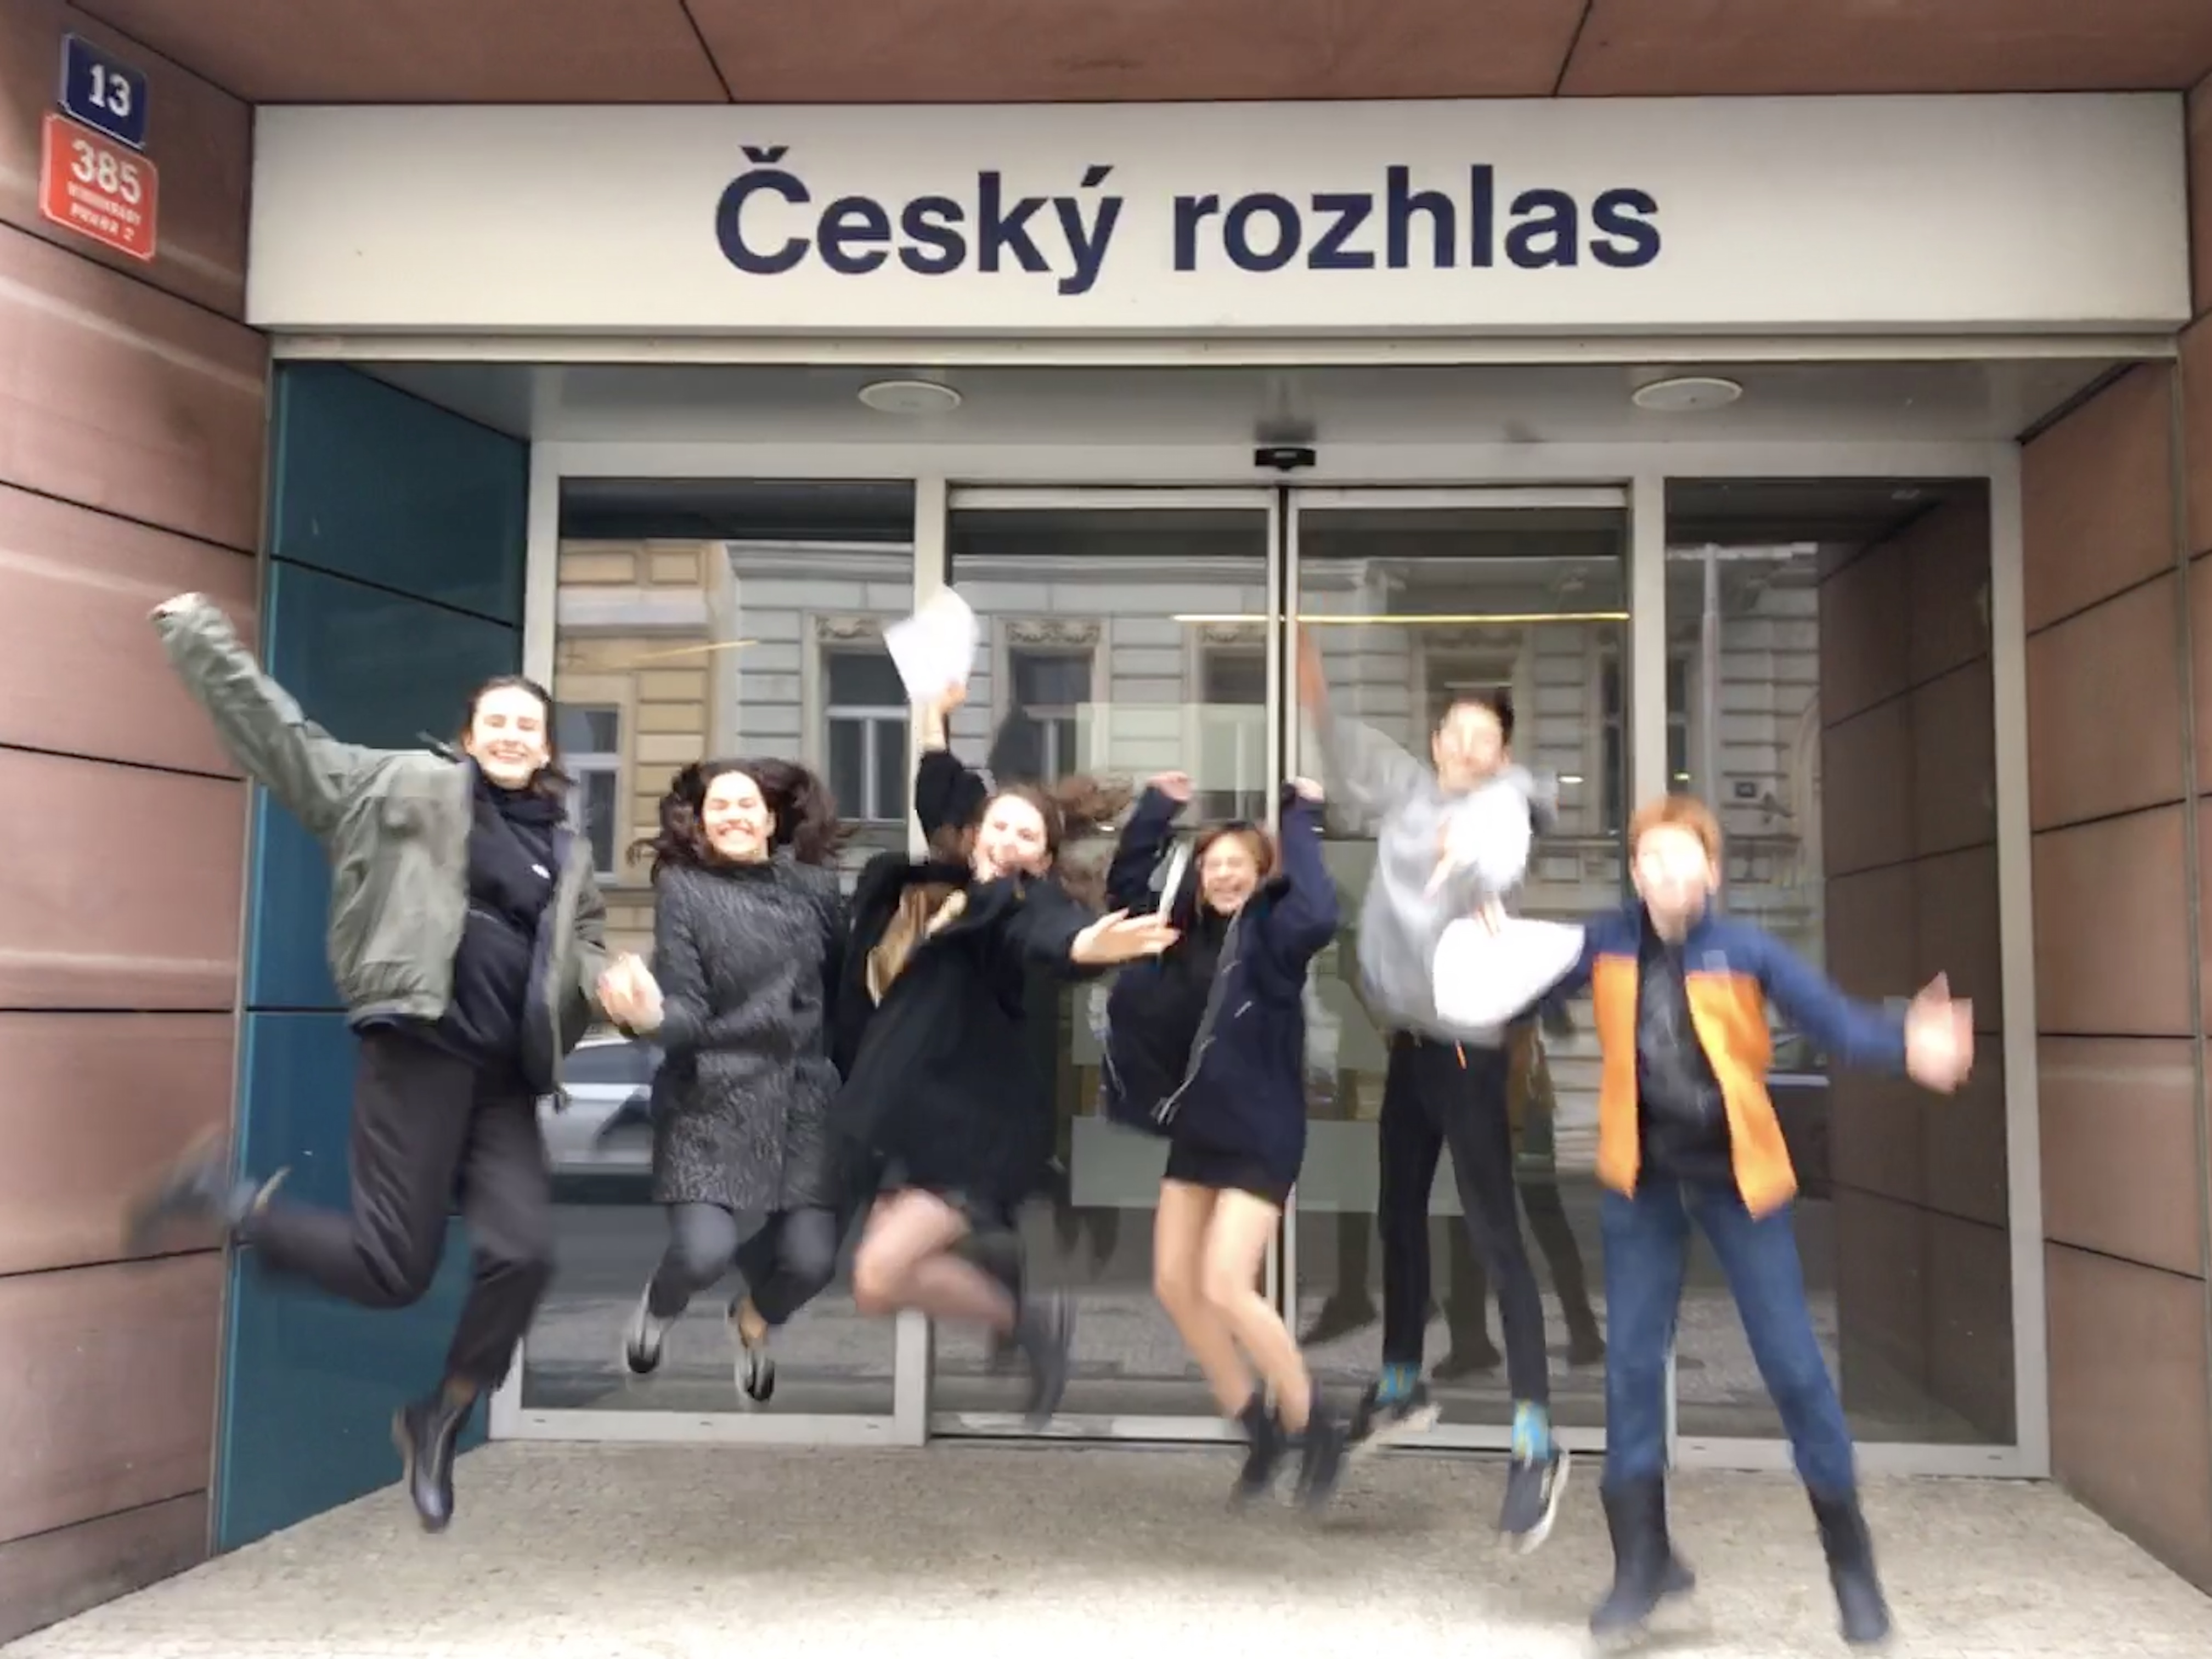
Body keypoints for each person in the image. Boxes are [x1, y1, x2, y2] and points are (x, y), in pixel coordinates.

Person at [125, 592, 607, 1534]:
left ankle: (441, 1414)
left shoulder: (565, 849)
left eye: (529, 725)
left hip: (505, 1078)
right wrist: (196, 633)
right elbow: (284, 742)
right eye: (497, 720)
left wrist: (609, 982)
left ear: (547, 748)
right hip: (420, 1050)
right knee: (395, 1270)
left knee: (526, 1253)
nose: (513, 735)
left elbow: (580, 951)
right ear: (468, 736)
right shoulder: (397, 786)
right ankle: (230, 1203)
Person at [1525, 794, 1972, 1647]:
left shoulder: (1746, 949)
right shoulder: (1603, 943)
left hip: (1740, 1179)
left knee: (1795, 1368)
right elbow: (1519, 983)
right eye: (1652, 859)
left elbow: (1833, 1021)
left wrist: (1906, 1043)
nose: (1668, 872)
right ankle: (1642, 1563)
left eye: (1684, 857)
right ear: (1635, 874)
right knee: (1629, 1370)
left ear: (1713, 872)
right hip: (1642, 1182)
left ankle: (1852, 1568)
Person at [806, 687, 1172, 1423]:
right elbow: (939, 788)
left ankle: (1024, 1321)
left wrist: (1086, 943)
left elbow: (1049, 935)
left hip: (966, 1130)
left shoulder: (1019, 904)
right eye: (999, 826)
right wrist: (932, 713)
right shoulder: (952, 888)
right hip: (904, 1120)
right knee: (877, 1286)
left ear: (1043, 857)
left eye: (1027, 835)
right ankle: (1001, 1278)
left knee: (877, 1277)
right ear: (976, 838)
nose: (1009, 840)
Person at [1296, 633, 1567, 1550]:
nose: (1465, 747)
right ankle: (1401, 1381)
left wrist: (1472, 863)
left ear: (1501, 751)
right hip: (1410, 1045)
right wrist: (1313, 689)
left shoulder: (1502, 804)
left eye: (1483, 737)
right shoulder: (1411, 792)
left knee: (1493, 1232)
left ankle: (1535, 1437)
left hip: (1468, 1052)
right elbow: (1346, 751)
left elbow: (1502, 852)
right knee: (1398, 1215)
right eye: (1455, 731)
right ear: (1437, 736)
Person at [1100, 771, 1346, 1508]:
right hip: (1199, 1131)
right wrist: (1156, 810)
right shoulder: (1177, 933)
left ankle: (1312, 1422)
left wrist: (1301, 818)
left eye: (1240, 863)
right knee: (1175, 1283)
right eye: (1213, 865)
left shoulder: (1276, 935)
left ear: (1262, 874)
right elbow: (1125, 888)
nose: (1225, 874)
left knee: (1226, 1285)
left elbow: (1320, 910)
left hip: (1262, 1130)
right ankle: (1256, 1426)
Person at [597, 758, 848, 1408]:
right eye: (719, 807)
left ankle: (753, 1317)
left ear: (770, 819)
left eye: (746, 805)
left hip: (802, 1096)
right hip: (712, 1091)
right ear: (702, 823)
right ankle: (660, 1307)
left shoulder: (816, 889)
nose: (734, 815)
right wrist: (649, 1019)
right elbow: (687, 1005)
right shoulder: (685, 890)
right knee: (704, 1253)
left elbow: (845, 988)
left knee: (812, 1262)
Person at [1449, 1001, 1607, 1370]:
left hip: (1516, 1091)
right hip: (1501, 1089)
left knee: (1525, 1215)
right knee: (1480, 1219)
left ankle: (1580, 1330)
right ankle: (1472, 1338)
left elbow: (1553, 1023)